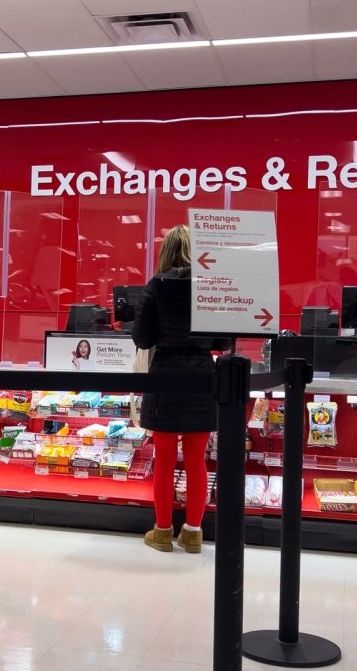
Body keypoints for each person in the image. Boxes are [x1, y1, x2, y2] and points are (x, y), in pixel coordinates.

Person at [131, 225, 229, 553]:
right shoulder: (210, 286)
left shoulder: (155, 286)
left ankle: (162, 531)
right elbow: (223, 341)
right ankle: (193, 533)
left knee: (164, 459)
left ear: (166, 250)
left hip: (165, 378)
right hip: (201, 377)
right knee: (197, 460)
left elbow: (142, 338)